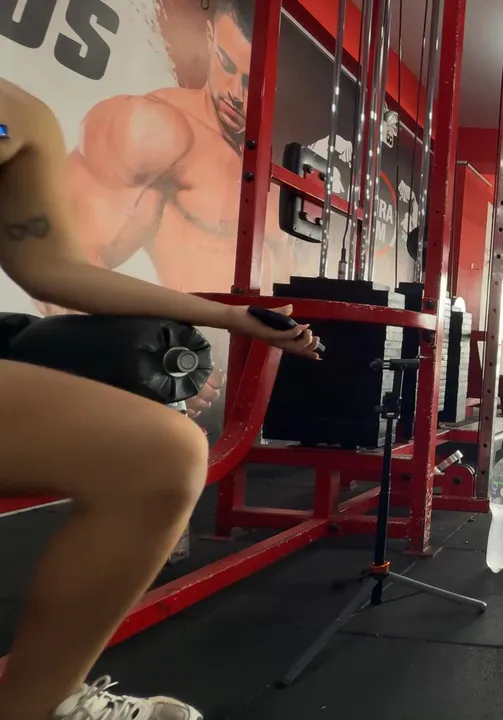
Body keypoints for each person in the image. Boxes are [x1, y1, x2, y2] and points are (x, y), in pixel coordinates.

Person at [0, 81, 321, 719]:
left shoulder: (23, 116)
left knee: (165, 454)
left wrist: (228, 317)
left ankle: (36, 704)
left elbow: (55, 270)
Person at [50, 0, 294, 417]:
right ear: (210, 39)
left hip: (254, 404)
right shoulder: (158, 129)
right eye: (226, 65)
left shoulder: (273, 172)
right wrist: (146, 362)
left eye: (252, 82)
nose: (236, 94)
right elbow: (65, 269)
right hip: (176, 381)